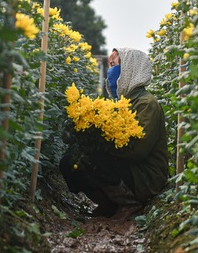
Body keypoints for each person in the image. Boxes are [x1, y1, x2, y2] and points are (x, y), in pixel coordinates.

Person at [59, 47, 169, 220]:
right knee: (70, 161)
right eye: (109, 65)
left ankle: (130, 202)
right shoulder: (120, 103)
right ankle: (108, 204)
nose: (110, 70)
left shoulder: (146, 104)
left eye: (114, 64)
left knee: (94, 157)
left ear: (130, 68)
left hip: (146, 176)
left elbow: (138, 151)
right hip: (129, 168)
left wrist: (99, 143)